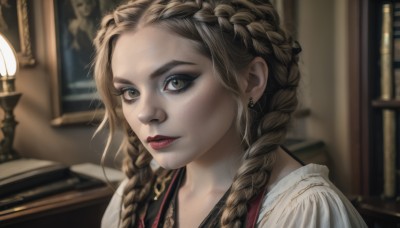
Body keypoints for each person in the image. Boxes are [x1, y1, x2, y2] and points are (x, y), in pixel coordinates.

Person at [93, 0, 367, 227]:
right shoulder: (136, 194)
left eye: (175, 82)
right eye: (129, 92)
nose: (145, 114)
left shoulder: (305, 212)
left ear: (251, 80)